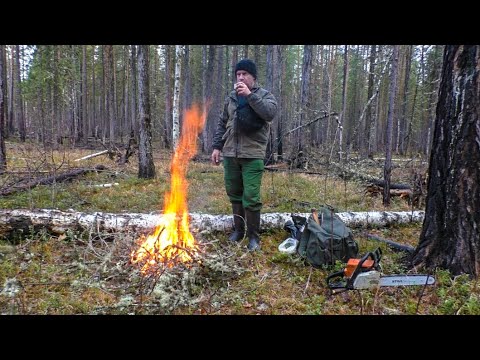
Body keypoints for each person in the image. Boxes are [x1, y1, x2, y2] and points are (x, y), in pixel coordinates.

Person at [211, 59, 278, 251]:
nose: (240, 77)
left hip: (253, 155)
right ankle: (238, 231)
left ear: (253, 77)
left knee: (251, 196)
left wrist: (249, 96)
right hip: (231, 153)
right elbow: (222, 123)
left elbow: (269, 114)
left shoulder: (265, 96)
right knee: (234, 194)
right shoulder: (231, 98)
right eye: (238, 74)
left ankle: (253, 237)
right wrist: (217, 147)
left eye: (244, 74)